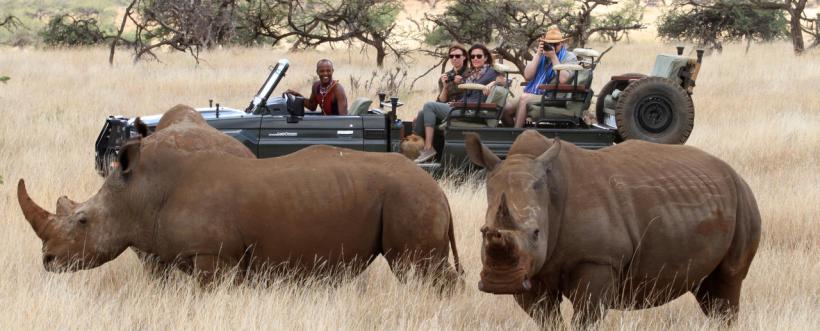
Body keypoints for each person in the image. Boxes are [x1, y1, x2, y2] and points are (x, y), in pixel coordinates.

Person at [412, 44, 500, 163]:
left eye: (479, 56)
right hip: (463, 106)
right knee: (422, 113)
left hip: (470, 111)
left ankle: (428, 148)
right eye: (473, 56)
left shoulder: (490, 71)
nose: (475, 59)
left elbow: (503, 79)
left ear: (485, 58)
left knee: (429, 105)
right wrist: (448, 88)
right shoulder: (475, 73)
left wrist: (492, 83)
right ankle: (416, 151)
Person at [502, 26, 579, 128]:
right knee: (504, 108)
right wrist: (538, 54)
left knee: (524, 98)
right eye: (549, 44)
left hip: (554, 96)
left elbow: (563, 79)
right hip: (535, 93)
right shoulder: (542, 55)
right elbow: (528, 76)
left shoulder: (569, 57)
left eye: (555, 44)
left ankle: (517, 134)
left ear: (561, 43)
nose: (552, 47)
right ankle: (514, 132)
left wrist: (553, 57)